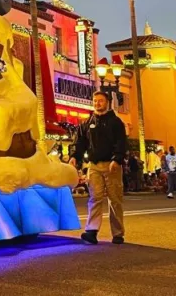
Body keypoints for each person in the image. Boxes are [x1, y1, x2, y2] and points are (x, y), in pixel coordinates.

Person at [70, 91, 127, 245]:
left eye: (100, 101)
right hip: (94, 165)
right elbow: (80, 142)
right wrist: (75, 156)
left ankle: (118, 233)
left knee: (115, 199)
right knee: (95, 198)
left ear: (107, 102)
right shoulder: (87, 123)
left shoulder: (116, 122)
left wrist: (117, 159)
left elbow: (121, 142)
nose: (97, 103)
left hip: (111, 165)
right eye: (95, 101)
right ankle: (91, 231)